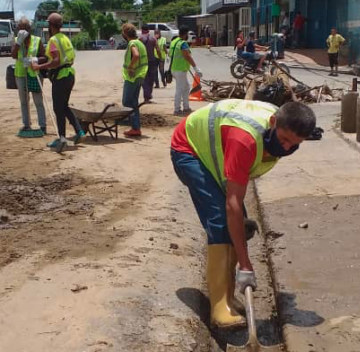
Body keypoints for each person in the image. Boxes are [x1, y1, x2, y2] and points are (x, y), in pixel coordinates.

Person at [170, 99, 316, 328]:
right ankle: (219, 307)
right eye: (284, 140)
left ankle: (227, 294)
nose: (287, 148)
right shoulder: (245, 140)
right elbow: (233, 203)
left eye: (295, 144)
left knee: (240, 226)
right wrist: (246, 265)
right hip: (190, 150)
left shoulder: (275, 130)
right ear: (272, 122)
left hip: (217, 153)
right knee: (220, 222)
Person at [31, 13, 85, 153]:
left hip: (61, 77)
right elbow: (71, 59)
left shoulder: (54, 40)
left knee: (58, 109)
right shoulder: (65, 38)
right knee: (64, 106)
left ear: (50, 25)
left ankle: (61, 138)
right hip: (69, 75)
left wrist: (39, 67)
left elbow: (55, 61)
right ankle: (79, 131)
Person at [11, 17, 47, 138]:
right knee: (24, 101)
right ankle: (26, 124)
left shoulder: (37, 40)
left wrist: (34, 59)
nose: (23, 31)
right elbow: (13, 55)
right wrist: (18, 42)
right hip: (21, 74)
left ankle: (42, 126)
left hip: (34, 74)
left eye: (25, 28)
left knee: (38, 101)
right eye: (21, 28)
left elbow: (44, 56)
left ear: (30, 29)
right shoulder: (16, 40)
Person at [120, 23, 148, 138]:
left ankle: (133, 125)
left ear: (125, 34)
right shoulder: (140, 43)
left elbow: (135, 55)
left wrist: (131, 67)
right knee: (134, 102)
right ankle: (135, 128)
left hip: (133, 77)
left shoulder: (132, 43)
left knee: (127, 102)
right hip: (140, 76)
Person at [169, 26, 202, 116]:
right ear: (185, 34)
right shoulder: (183, 43)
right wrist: (195, 68)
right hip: (180, 70)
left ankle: (186, 107)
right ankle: (177, 109)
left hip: (174, 69)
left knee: (186, 87)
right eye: (187, 34)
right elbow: (187, 56)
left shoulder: (174, 42)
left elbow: (170, 54)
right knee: (180, 89)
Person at [139, 25, 160, 103]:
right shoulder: (153, 39)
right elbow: (158, 50)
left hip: (143, 62)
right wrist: (160, 58)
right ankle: (148, 95)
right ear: (148, 30)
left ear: (142, 30)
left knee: (144, 79)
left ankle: (146, 96)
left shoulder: (140, 39)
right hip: (152, 61)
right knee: (151, 79)